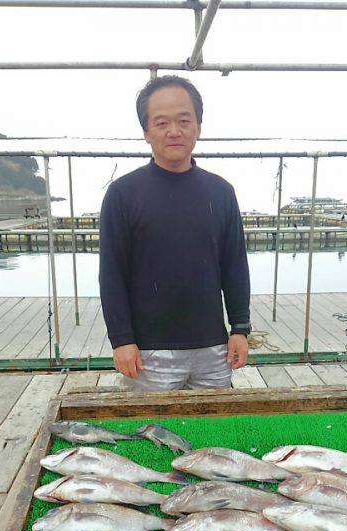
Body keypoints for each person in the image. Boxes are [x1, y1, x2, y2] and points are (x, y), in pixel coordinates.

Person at [99, 75, 251, 391]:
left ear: (198, 127)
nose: (174, 131)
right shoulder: (122, 194)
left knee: (216, 433)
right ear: (146, 131)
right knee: (152, 434)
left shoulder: (221, 192)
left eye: (184, 120)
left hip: (213, 350)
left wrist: (240, 328)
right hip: (148, 353)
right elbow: (112, 274)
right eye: (161, 123)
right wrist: (121, 339)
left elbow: (235, 266)